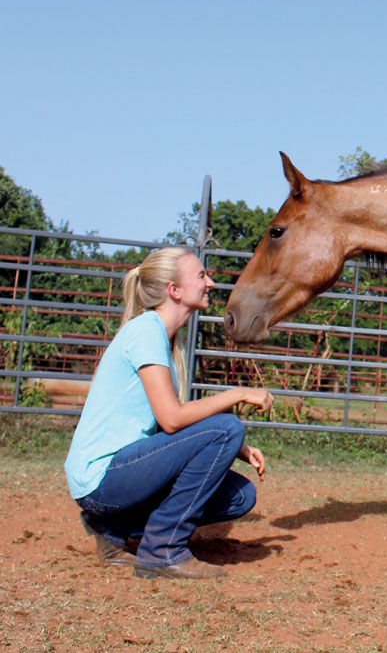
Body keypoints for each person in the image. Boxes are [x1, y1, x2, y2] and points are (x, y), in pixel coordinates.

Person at [64, 246, 274, 579]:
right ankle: (163, 549)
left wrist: (238, 449)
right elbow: (172, 419)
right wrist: (238, 394)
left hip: (123, 472)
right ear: (174, 290)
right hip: (103, 477)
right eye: (202, 275)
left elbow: (170, 429)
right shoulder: (146, 332)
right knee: (228, 426)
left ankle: (113, 527)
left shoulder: (164, 338)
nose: (212, 283)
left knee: (239, 496)